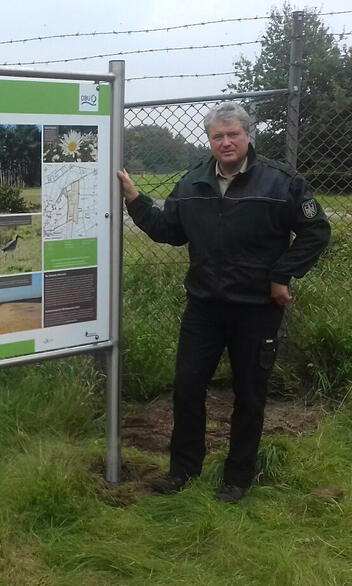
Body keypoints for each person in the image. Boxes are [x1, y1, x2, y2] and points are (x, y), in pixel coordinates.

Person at [117, 102, 331, 503]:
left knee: (249, 394)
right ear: (210, 140)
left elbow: (316, 230)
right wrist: (135, 199)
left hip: (256, 309)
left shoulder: (281, 182)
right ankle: (183, 471)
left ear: (248, 135)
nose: (226, 142)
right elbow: (169, 230)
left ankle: (237, 478)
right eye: (218, 136)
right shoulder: (193, 182)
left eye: (233, 134)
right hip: (204, 308)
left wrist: (282, 275)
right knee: (187, 386)